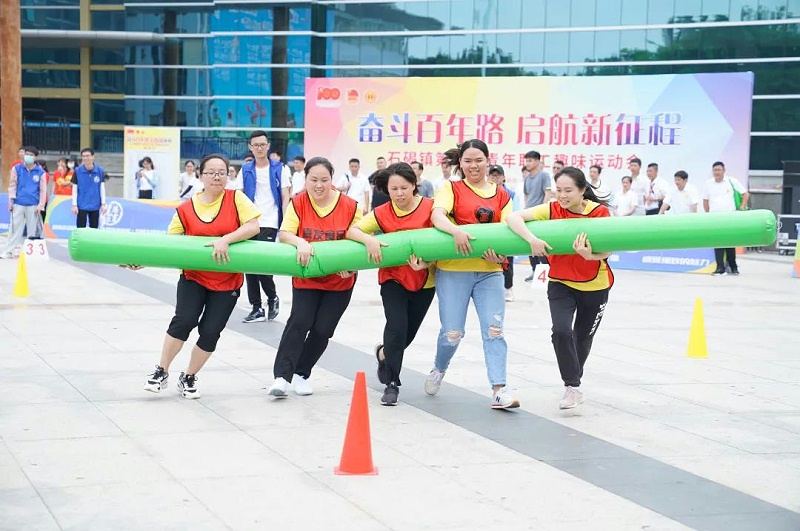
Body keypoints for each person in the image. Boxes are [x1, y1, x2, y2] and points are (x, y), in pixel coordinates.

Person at [141, 154, 261, 398]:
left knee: (210, 331)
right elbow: (169, 243)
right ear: (200, 175)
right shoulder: (186, 209)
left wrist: (226, 239)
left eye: (222, 172)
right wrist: (141, 261)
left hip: (227, 281)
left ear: (228, 175)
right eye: (211, 172)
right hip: (193, 277)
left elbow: (253, 226)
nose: (217, 176)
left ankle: (189, 376)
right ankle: (161, 370)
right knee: (184, 320)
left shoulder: (236, 198)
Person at [506, 166, 614, 410]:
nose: (562, 196)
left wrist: (590, 256)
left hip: (594, 284)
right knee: (561, 331)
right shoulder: (552, 209)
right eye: (559, 191)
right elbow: (514, 217)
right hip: (560, 282)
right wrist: (531, 239)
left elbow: (608, 250)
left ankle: (573, 383)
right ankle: (572, 386)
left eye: (568, 191)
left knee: (583, 338)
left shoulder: (599, 212)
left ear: (583, 191)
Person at [425, 139, 520, 410]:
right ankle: (439, 368)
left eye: (478, 160)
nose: (473, 165)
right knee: (452, 333)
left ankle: (498, 389)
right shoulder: (451, 188)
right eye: (468, 160)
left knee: (494, 330)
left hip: (490, 272)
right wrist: (456, 231)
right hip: (453, 271)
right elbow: (437, 216)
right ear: (460, 163)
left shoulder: (502, 195)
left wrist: (501, 256)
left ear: (488, 161)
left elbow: (509, 230)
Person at [267, 157, 361, 398]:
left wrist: (349, 265)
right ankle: (282, 376)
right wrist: (301, 242)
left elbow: (358, 238)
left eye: (325, 180)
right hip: (307, 277)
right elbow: (286, 233)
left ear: (332, 179)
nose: (319, 185)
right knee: (300, 322)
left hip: (340, 279)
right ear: (305, 179)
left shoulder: (350, 205)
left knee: (323, 329)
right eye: (314, 180)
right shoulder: (298, 203)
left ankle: (301, 373)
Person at [347, 163, 435, 406]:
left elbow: (443, 240)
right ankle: (391, 383)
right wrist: (370, 240)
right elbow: (352, 231)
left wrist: (428, 263)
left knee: (407, 334)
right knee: (396, 327)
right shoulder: (382, 212)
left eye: (404, 188)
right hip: (392, 278)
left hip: (424, 280)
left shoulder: (431, 208)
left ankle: (384, 353)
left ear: (415, 185)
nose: (399, 193)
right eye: (393, 188)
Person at [240, 130, 290, 323]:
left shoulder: (280, 168)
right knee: (248, 265)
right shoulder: (246, 169)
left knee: (262, 264)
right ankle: (256, 307)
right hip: (250, 222)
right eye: (256, 145)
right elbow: (240, 195)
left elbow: (285, 196)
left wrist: (285, 222)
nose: (260, 148)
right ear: (250, 148)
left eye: (263, 144)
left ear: (268, 146)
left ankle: (272, 297)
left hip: (269, 222)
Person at [703, 161, 749, 275]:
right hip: (715, 217)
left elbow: (745, 194)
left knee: (730, 243)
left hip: (729, 217)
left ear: (724, 171)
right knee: (717, 243)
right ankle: (720, 268)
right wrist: (708, 214)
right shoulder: (708, 183)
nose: (717, 172)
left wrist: (742, 207)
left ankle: (733, 267)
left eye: (719, 170)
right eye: (715, 170)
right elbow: (705, 200)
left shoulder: (731, 181)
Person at [1, 146, 47, 259]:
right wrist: (11, 200)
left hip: (33, 205)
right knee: (14, 229)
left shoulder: (40, 172)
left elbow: (43, 190)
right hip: (19, 203)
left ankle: (29, 253)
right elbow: (12, 185)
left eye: (31, 155)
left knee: (32, 230)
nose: (28, 156)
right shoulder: (17, 169)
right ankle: (9, 251)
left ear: (35, 157)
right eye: (27, 154)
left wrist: (41, 205)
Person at [488, 165, 517, 302]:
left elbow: (515, 214)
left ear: (504, 178)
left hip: (507, 232)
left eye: (497, 175)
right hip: (490, 233)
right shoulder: (485, 193)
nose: (495, 178)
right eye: (492, 175)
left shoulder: (511, 194)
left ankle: (508, 288)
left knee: (507, 262)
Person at [522, 150, 552, 282]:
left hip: (539, 215)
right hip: (528, 214)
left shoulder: (544, 176)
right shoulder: (527, 178)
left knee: (540, 245)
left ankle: (545, 273)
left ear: (537, 161)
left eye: (530, 160)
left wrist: (543, 210)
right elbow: (526, 195)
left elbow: (547, 193)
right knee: (530, 245)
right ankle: (534, 271)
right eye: (526, 160)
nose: (528, 163)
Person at [71, 147, 107, 229]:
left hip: (95, 204)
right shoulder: (77, 171)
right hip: (82, 205)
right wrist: (74, 205)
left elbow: (102, 188)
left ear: (93, 157)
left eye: (88, 156)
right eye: (83, 156)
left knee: (94, 229)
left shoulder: (100, 171)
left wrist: (103, 204)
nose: (85, 158)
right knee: (80, 229)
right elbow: (75, 189)